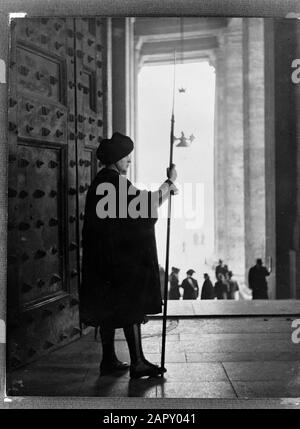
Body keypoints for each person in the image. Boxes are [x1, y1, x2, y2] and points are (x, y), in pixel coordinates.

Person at [79, 132, 178, 379]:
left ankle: (109, 360)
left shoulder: (102, 181)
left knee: (107, 307)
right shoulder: (115, 183)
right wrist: (169, 183)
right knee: (130, 305)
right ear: (116, 159)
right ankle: (138, 363)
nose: (129, 162)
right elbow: (145, 207)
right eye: (126, 158)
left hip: (102, 260)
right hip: (118, 262)